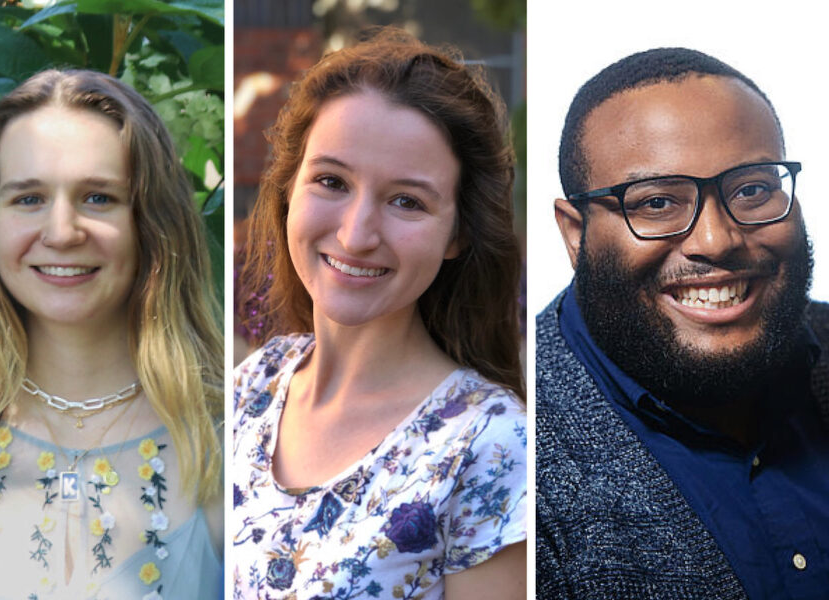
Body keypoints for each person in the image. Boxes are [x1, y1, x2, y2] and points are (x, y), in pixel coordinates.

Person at [233, 28, 527, 600]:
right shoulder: (253, 387)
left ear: (458, 234)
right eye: (331, 181)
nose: (355, 234)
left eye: (406, 201)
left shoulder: (491, 447)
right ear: (289, 187)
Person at [537, 47, 829, 599]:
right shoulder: (523, 444)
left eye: (751, 189)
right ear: (574, 233)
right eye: (656, 203)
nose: (716, 241)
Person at [0, 69, 224, 600]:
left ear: (151, 223)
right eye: (28, 199)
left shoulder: (231, 444)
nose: (62, 233)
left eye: (98, 197)